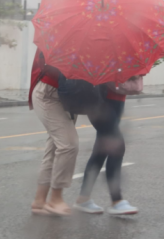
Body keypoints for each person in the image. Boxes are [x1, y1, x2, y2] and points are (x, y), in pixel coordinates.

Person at [73, 74, 143, 216]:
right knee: (116, 146)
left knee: (101, 151)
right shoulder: (104, 52)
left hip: (118, 98)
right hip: (99, 101)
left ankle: (83, 199)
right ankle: (116, 201)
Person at [28, 50, 79, 216]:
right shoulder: (62, 33)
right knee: (69, 145)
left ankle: (39, 200)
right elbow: (52, 63)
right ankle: (55, 198)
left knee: (55, 147)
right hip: (49, 93)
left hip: (69, 95)